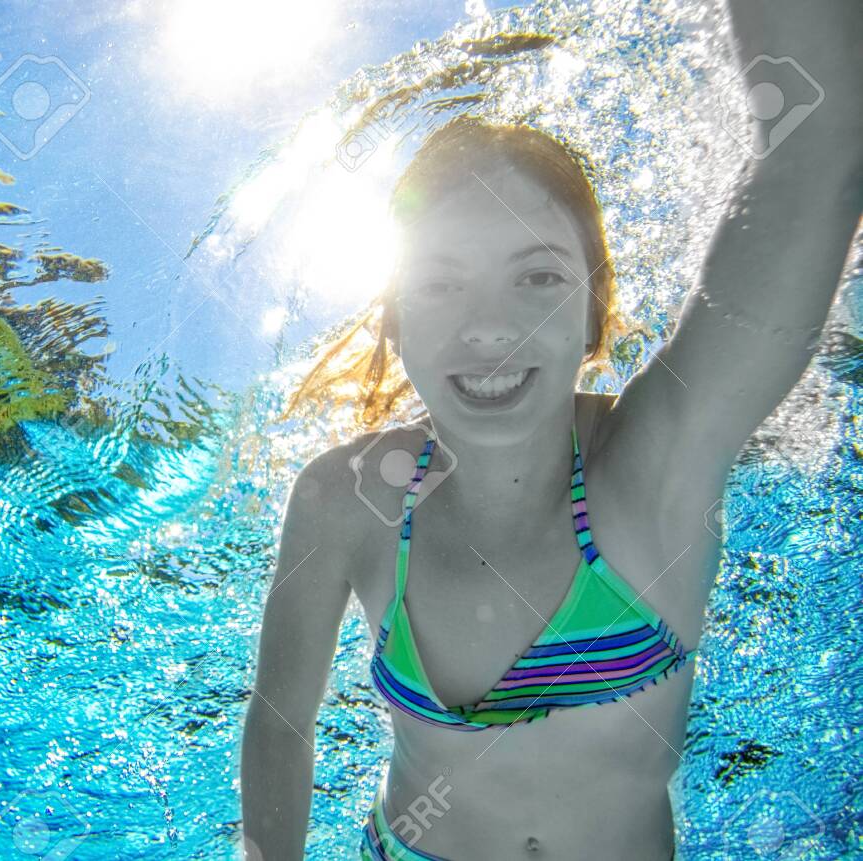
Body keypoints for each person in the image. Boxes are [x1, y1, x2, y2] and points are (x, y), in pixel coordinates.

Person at [239, 1, 862, 858]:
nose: (488, 327)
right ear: (396, 319)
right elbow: (280, 719)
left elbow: (818, 152)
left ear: (595, 311)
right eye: (441, 283)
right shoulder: (344, 501)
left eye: (537, 276)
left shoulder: (655, 461)